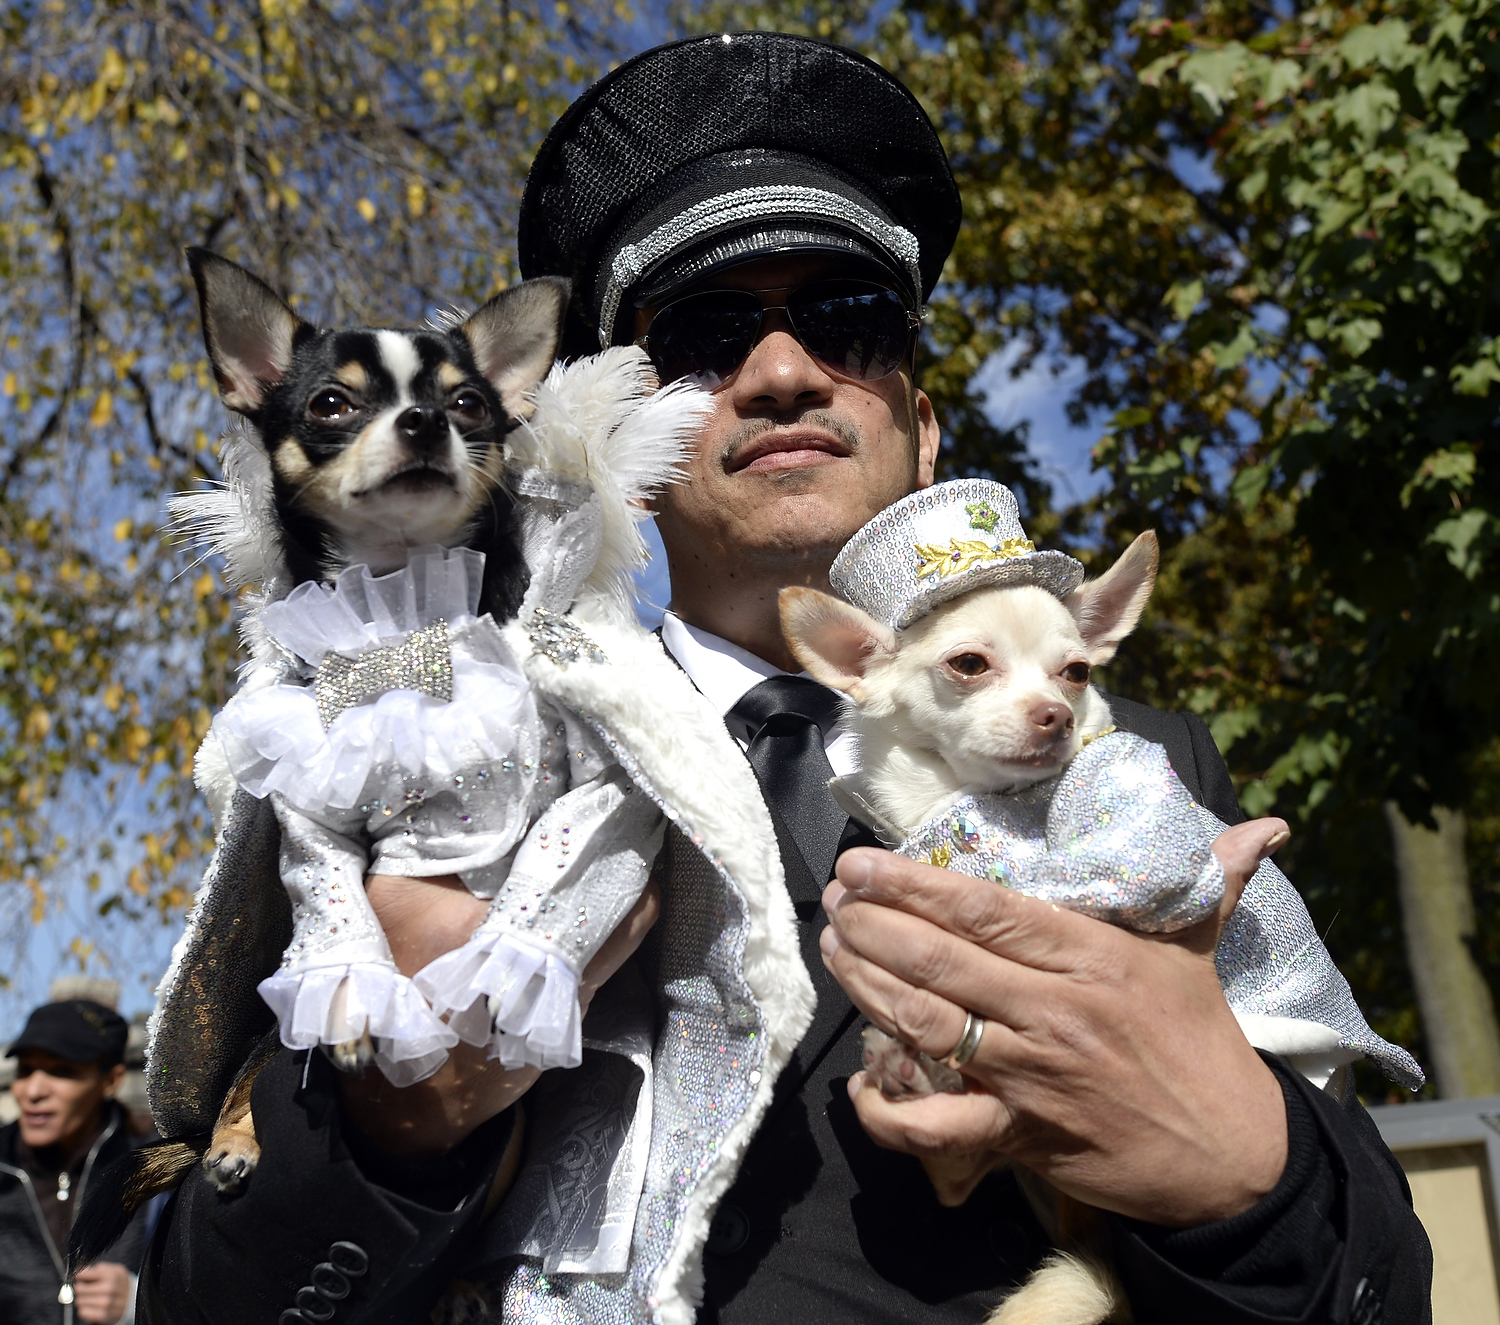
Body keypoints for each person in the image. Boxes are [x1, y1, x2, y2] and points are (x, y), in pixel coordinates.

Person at [142, 31, 1432, 1325]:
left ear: (923, 430)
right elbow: (195, 1290)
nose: (780, 369)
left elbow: (1374, 1285)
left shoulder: (1139, 769)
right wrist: (391, 1130)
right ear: (621, 444)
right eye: (705, 336)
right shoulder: (457, 758)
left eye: (849, 317)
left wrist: (1241, 1172)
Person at [1, 1000, 147, 1325]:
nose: (34, 1091)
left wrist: (137, 1302)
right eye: (25, 1071)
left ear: (111, 1081)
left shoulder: (154, 1171)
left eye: (62, 1071)